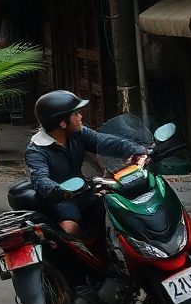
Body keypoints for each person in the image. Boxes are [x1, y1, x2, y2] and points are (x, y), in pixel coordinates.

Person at [25, 90, 148, 237]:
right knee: (70, 230)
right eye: (75, 114)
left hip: (83, 191)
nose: (80, 116)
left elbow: (102, 141)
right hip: (59, 200)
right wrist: (61, 191)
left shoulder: (78, 134)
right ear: (63, 123)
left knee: (118, 208)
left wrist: (136, 150)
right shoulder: (37, 151)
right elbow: (40, 179)